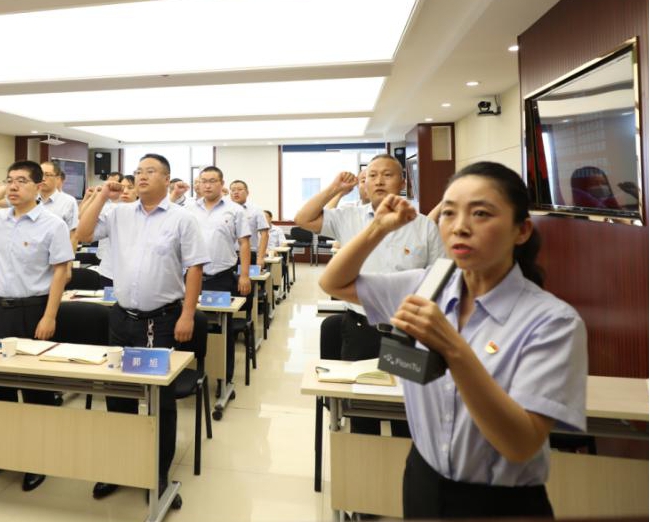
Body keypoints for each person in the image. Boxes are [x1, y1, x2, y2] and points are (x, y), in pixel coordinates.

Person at [318, 161, 587, 518]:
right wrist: (378, 229)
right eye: (448, 213)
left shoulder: (551, 321)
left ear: (521, 230)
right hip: (423, 478)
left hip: (500, 501)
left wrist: (453, 349)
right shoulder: (427, 285)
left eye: (481, 213)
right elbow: (334, 283)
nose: (460, 226)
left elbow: (521, 444)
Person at [76, 153, 208, 505]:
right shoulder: (119, 214)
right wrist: (102, 196)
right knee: (119, 395)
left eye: (150, 171)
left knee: (160, 401)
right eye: (138, 171)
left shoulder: (182, 219)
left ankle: (158, 472)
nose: (142, 176)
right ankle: (120, 466)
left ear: (167, 178)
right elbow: (83, 233)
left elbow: (195, 268)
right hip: (122, 319)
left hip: (163, 321)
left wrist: (188, 315)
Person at [295, 155, 443, 435]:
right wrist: (335, 189)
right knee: (361, 414)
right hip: (361, 329)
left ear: (403, 182)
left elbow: (439, 280)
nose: (378, 181)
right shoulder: (348, 217)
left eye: (387, 175)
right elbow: (303, 218)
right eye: (372, 175)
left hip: (407, 333)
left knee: (406, 415)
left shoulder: (424, 225)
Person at [0, 160, 73, 491]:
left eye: (22, 181)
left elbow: (61, 271)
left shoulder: (52, 224)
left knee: (36, 388)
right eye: (9, 180)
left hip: (34, 310)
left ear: (38, 187)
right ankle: (0, 455)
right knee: (0, 387)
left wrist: (50, 316)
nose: (13, 186)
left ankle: (38, 459)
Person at [188, 166, 250, 384]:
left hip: (221, 277)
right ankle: (193, 373)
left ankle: (224, 377)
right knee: (191, 324)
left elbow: (244, 243)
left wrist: (244, 275)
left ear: (222, 183)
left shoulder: (235, 210)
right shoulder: (189, 209)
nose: (207, 185)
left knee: (223, 329)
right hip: (192, 277)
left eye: (212, 181)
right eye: (203, 181)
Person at [38, 161, 80, 249]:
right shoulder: (30, 200)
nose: (43, 178)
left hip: (57, 254)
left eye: (47, 175)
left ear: (57, 179)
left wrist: (69, 257)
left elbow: (73, 235)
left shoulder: (68, 202)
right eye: (40, 174)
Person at [228, 180, 269, 266]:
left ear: (247, 192)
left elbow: (264, 234)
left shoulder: (256, 210)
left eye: (239, 189)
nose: (236, 192)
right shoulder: (225, 210)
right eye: (233, 190)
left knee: (248, 275)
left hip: (250, 253)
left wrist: (260, 257)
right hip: (228, 254)